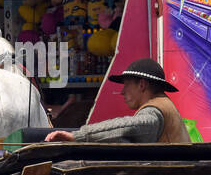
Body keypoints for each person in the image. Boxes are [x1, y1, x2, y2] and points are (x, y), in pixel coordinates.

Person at [45, 58, 191, 144]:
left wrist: (77, 136)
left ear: (142, 85)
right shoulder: (163, 104)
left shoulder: (154, 111)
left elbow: (128, 127)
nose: (122, 91)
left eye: (126, 85)